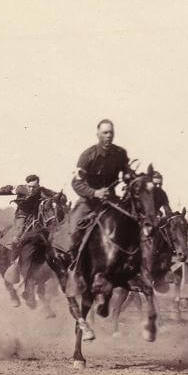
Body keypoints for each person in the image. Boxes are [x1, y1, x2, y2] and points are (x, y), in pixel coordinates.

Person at [66, 119, 133, 281]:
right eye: (105, 133)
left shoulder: (120, 153)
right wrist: (94, 193)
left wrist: (128, 176)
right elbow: (76, 183)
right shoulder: (87, 156)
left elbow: (127, 172)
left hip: (111, 201)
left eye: (111, 132)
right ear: (98, 134)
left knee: (132, 223)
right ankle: (75, 270)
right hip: (88, 202)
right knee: (73, 231)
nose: (108, 136)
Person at [0, 174, 57, 281]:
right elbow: (8, 189)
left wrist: (60, 197)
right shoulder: (20, 188)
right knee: (17, 235)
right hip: (22, 215)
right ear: (26, 185)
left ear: (38, 186)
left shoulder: (43, 191)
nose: (32, 189)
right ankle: (14, 262)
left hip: (36, 216)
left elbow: (56, 195)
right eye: (29, 187)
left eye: (34, 187)